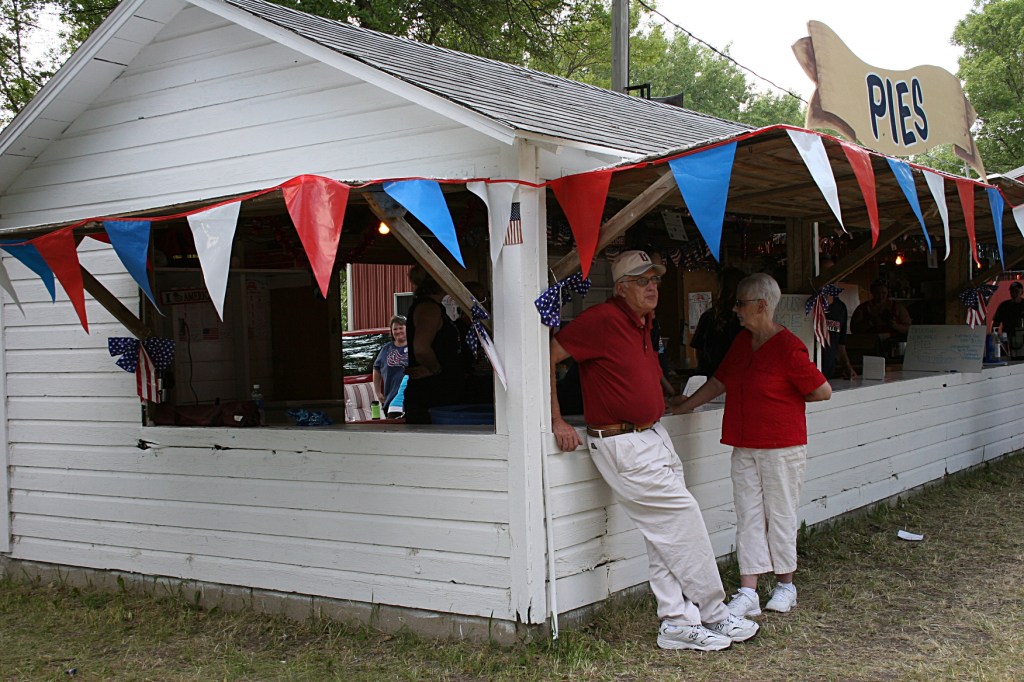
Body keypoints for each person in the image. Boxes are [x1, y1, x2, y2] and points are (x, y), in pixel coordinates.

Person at [550, 250, 759, 652]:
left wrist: (665, 394)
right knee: (683, 519)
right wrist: (557, 420)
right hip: (621, 440)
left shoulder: (641, 321)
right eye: (643, 280)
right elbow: (547, 359)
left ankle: (677, 622)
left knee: (665, 533)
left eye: (656, 279)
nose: (652, 286)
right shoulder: (601, 320)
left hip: (652, 434)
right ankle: (714, 613)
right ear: (622, 286)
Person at [672, 273, 832, 618]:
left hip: (781, 444)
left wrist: (782, 398)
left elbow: (821, 390)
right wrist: (686, 404)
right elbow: (719, 381)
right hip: (744, 442)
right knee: (748, 515)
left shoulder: (789, 347)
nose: (736, 310)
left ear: (761, 306)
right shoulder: (743, 342)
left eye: (741, 304)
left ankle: (786, 584)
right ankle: (748, 591)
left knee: (780, 513)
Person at [403, 266, 465, 424]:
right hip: (433, 394)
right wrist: (436, 369)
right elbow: (421, 348)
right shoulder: (429, 309)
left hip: (436, 392)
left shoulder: (431, 307)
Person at [689, 267, 745, 376]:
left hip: (710, 375)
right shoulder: (745, 317)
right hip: (735, 376)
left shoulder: (709, 316)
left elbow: (698, 349)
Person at [818, 256, 856, 381]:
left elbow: (840, 345)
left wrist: (847, 367)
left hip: (828, 375)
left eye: (834, 271)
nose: (831, 276)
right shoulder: (811, 304)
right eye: (826, 272)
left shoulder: (840, 308)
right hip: (808, 374)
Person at [372, 315, 409, 412]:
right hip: (391, 399)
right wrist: (378, 392)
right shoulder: (386, 349)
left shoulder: (415, 347)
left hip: (411, 398)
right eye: (395, 329)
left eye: (401, 328)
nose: (398, 331)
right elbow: (376, 369)